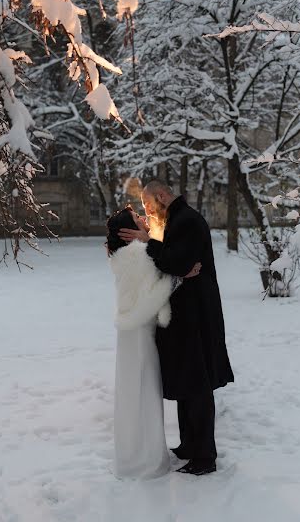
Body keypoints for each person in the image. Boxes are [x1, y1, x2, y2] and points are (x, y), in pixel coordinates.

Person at [118, 181, 234, 476]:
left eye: (147, 204)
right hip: (185, 317)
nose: (146, 211)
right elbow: (173, 264)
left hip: (196, 317)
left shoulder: (188, 221)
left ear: (161, 196)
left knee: (198, 386)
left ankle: (204, 456)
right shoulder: (176, 220)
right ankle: (188, 445)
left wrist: (150, 244)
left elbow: (178, 263)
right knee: (188, 381)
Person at [107, 206, 200, 479]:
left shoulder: (124, 255)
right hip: (139, 334)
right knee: (142, 391)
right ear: (127, 231)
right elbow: (149, 299)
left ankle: (134, 454)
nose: (144, 219)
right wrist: (181, 276)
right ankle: (143, 460)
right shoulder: (137, 255)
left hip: (132, 332)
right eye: (138, 218)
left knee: (133, 391)